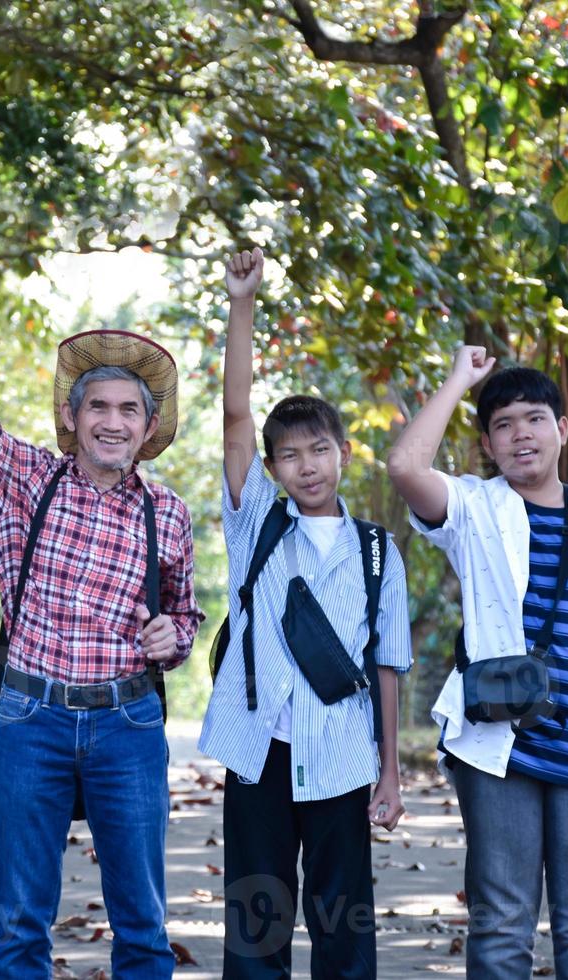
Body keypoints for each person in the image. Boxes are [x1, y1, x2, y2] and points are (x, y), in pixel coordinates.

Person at [0, 228, 201, 977]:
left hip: (129, 722)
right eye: (97, 406)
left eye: (130, 410)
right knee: (21, 924)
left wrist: (175, 639)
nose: (112, 421)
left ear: (148, 425)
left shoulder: (168, 512)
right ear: (72, 418)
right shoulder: (24, 480)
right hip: (30, 720)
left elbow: (186, 617)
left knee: (142, 923)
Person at [386, 348, 568, 978]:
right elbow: (406, 465)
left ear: (562, 429)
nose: (521, 433)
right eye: (502, 424)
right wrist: (460, 378)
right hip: (500, 748)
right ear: (488, 446)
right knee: (499, 921)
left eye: (534, 418)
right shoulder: (473, 509)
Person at [200, 248, 411, 978]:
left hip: (346, 753)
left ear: (345, 453)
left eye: (320, 449)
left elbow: (387, 664)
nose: (307, 465)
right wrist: (242, 303)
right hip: (260, 747)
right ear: (272, 468)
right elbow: (235, 415)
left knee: (342, 915)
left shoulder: (378, 551)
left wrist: (390, 770)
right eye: (288, 455)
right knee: (257, 918)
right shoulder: (255, 520)